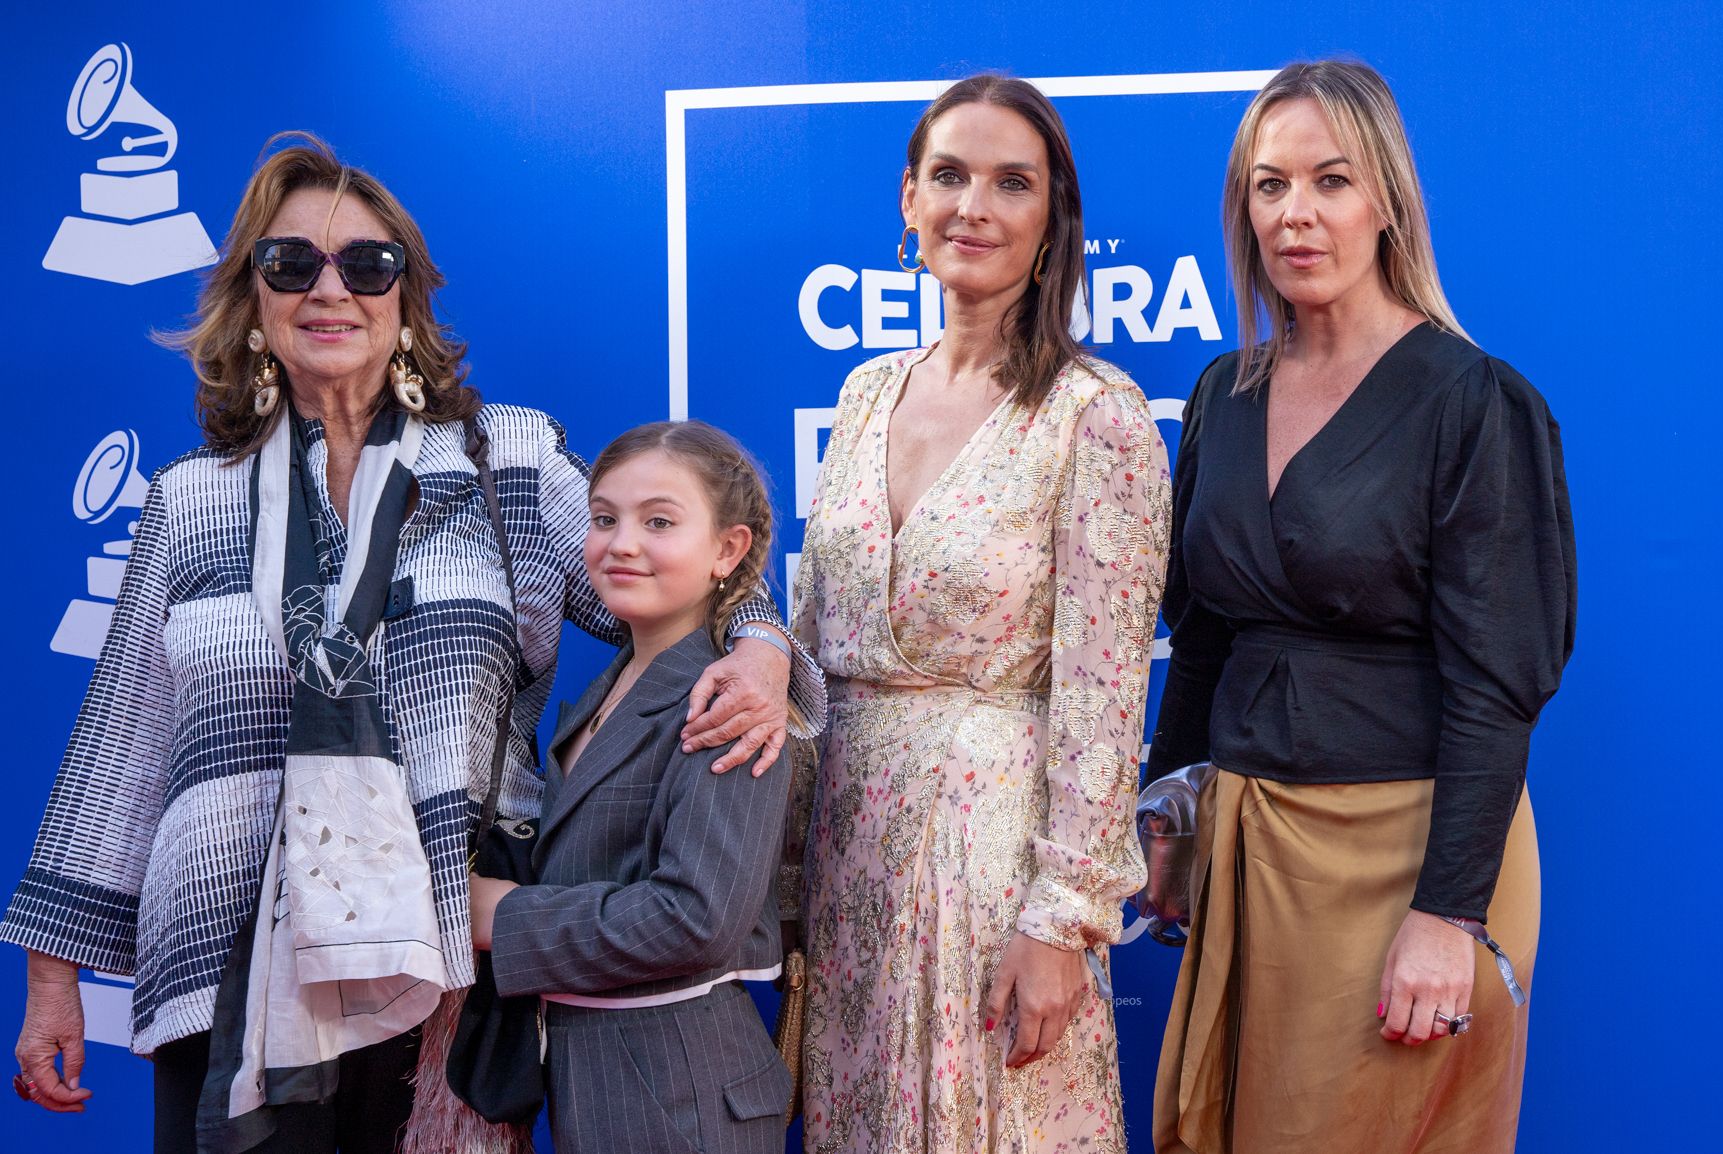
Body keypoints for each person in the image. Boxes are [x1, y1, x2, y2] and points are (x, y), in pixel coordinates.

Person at [2, 133, 822, 1153]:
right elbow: (123, 746)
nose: (329, 288)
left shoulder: (505, 460)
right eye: (290, 263)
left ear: (407, 299)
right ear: (252, 300)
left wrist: (763, 648)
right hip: (222, 962)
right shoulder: (188, 501)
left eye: (367, 264)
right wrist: (51, 981)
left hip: (437, 952)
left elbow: (674, 582)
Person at [1149, 60, 1575, 1153]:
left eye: (1330, 181)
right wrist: (1175, 813)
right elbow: (1198, 640)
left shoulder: (1476, 402)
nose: (1296, 215)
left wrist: (1449, 913)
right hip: (1251, 841)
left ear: (1386, 198)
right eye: (1268, 184)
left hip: (1411, 854)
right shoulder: (1221, 394)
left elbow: (1498, 683)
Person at [791, 75, 1171, 1153]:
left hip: (993, 864)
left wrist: (1062, 920)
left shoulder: (1096, 417)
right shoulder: (866, 393)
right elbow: (812, 640)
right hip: (848, 855)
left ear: (1053, 223)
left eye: (1014, 183)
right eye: (949, 175)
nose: (976, 206)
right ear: (908, 200)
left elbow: (1103, 698)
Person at [471, 420, 795, 1154]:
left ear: (727, 550)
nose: (621, 543)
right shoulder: (609, 682)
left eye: (659, 522)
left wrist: (503, 916)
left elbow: (695, 919)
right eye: (603, 518)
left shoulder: (727, 699)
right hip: (602, 1081)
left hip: (682, 1092)